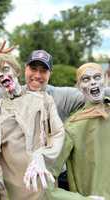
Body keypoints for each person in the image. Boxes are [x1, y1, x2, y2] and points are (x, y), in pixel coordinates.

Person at [0, 53, 64, 200]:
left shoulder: (44, 100)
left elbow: (58, 134)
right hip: (10, 189)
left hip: (39, 182)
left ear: (17, 72)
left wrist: (43, 155)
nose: (1, 75)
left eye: (5, 69)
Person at [45, 63, 109, 200]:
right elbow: (46, 180)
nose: (93, 82)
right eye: (86, 79)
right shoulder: (73, 127)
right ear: (79, 87)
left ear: (105, 80)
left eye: (97, 77)